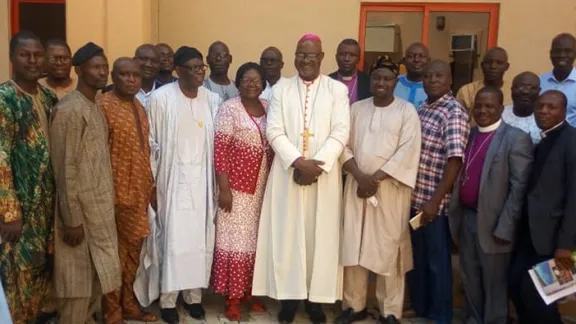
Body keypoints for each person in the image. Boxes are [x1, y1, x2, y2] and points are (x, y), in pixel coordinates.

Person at [252, 34, 350, 324]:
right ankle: (289, 299)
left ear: (321, 58)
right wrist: (297, 162)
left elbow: (341, 131)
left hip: (323, 176)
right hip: (288, 175)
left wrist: (316, 165)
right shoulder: (281, 89)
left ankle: (317, 302)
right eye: (301, 55)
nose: (306, 61)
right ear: (294, 57)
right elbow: (274, 130)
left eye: (312, 56)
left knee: (320, 237)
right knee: (289, 237)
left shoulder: (337, 90)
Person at [337, 56, 421, 324]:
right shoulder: (356, 109)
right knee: (354, 245)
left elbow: (407, 152)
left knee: (388, 250)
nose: (381, 83)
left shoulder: (407, 112)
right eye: (377, 78)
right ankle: (353, 305)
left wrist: (374, 180)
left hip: (390, 192)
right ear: (370, 81)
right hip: (357, 188)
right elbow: (342, 144)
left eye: (387, 78)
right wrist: (360, 177)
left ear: (396, 82)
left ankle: (390, 311)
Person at [146, 46, 221, 324]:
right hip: (171, 182)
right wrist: (152, 184)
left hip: (202, 184)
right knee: (173, 241)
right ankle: (168, 300)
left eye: (201, 67)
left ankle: (193, 298)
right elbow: (151, 144)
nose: (199, 71)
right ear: (177, 70)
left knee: (198, 241)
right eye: (192, 67)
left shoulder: (212, 100)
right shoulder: (160, 99)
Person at [448, 87, 533, 324]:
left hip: (495, 224)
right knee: (470, 278)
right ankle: (474, 319)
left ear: (500, 107)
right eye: (479, 106)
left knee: (494, 283)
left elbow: (518, 190)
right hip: (467, 219)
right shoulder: (471, 134)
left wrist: (505, 227)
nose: (483, 111)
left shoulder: (516, 138)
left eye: (489, 106)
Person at [50, 42, 121, 324]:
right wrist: (72, 219)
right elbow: (64, 169)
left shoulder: (93, 105)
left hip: (99, 212)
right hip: (79, 217)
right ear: (79, 70)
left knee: (99, 280)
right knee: (76, 288)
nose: (102, 71)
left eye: (104, 66)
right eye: (95, 66)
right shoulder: (69, 110)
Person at [0, 31, 57, 324]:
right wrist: (10, 212)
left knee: (39, 269)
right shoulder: (4, 98)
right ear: (13, 58)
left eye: (37, 55)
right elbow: (1, 158)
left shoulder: (48, 96)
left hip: (46, 206)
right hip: (19, 208)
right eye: (25, 54)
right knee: (17, 272)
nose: (33, 60)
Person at [408, 60, 470, 324]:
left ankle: (441, 315)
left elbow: (455, 160)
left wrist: (435, 201)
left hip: (436, 205)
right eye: (428, 76)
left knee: (437, 262)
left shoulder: (453, 111)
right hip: (416, 200)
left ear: (449, 80)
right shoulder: (423, 108)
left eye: (439, 76)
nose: (432, 80)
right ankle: (421, 308)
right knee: (418, 260)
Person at [211, 62, 273, 321]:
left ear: (263, 84)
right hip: (235, 189)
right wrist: (223, 188)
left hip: (263, 188)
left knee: (255, 242)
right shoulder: (229, 109)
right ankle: (232, 299)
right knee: (235, 242)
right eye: (246, 80)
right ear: (237, 83)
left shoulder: (270, 108)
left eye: (257, 80)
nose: (252, 84)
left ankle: (250, 292)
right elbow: (220, 150)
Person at [98, 58, 158, 323]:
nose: (132, 80)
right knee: (112, 257)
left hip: (138, 194)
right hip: (112, 195)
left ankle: (129, 303)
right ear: (114, 76)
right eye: (124, 75)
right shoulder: (103, 105)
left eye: (135, 75)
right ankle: (112, 311)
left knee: (134, 254)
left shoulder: (139, 107)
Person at [510, 90, 576, 324]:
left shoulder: (571, 140)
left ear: (564, 110)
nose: (544, 111)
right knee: (516, 284)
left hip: (555, 240)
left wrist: (566, 246)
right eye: (540, 107)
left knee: (539, 294)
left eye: (551, 107)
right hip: (530, 236)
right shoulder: (544, 140)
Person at [457, 47, 512, 124]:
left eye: (499, 63)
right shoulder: (466, 91)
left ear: (506, 67)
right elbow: (458, 122)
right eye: (489, 62)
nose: (493, 66)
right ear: (482, 65)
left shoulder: (513, 92)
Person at [540, 33, 576, 126]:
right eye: (557, 51)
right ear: (550, 54)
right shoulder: (540, 82)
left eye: (567, 51)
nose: (562, 55)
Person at [502, 72, 542, 143]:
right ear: (512, 90)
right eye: (520, 86)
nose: (525, 91)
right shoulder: (499, 114)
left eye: (532, 88)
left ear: (539, 91)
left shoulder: (544, 118)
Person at [329, 38, 371, 105]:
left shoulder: (368, 82)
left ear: (359, 59)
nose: (347, 59)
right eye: (342, 54)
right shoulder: (327, 81)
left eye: (352, 55)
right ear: (336, 57)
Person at [393, 42, 429, 108]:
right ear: (404, 61)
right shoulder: (394, 83)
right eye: (411, 56)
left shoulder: (434, 86)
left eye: (421, 56)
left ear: (428, 61)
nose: (416, 60)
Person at [134, 44, 161, 108]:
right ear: (134, 60)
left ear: (159, 65)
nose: (148, 65)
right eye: (144, 59)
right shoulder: (119, 91)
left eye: (154, 61)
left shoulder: (166, 93)